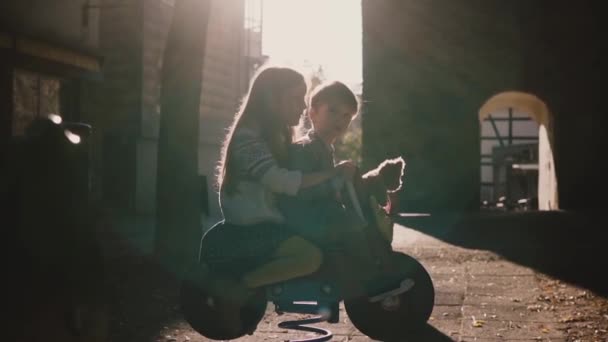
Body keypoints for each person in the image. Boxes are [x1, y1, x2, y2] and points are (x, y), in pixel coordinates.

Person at [208, 67, 355, 333]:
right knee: (309, 257)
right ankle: (238, 289)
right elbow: (281, 181)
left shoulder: (275, 136)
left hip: (270, 220)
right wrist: (330, 173)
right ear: (272, 98)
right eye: (296, 98)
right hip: (252, 225)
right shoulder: (247, 139)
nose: (302, 106)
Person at [278, 81, 383, 298]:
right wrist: (335, 181)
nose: (340, 119)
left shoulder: (325, 149)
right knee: (352, 228)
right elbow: (301, 190)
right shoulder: (304, 149)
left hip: (319, 214)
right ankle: (365, 280)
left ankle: (361, 275)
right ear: (313, 113)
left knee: (354, 221)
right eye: (333, 111)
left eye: (347, 116)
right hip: (304, 217)